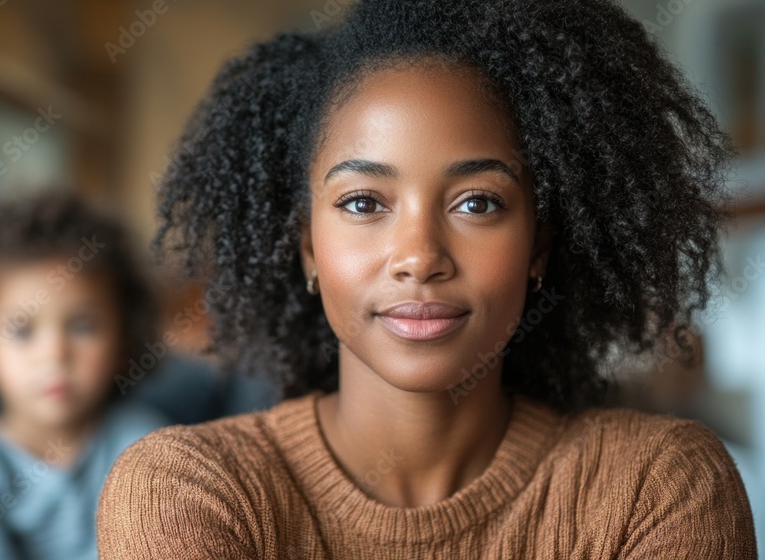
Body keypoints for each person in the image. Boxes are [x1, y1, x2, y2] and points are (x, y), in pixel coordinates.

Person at [96, 0, 759, 558]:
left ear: (538, 246)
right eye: (363, 202)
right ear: (307, 245)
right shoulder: (186, 490)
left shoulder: (659, 487)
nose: (419, 256)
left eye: (478, 202)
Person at [0, 190, 170, 560]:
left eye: (82, 327)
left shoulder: (146, 446)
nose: (54, 354)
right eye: (21, 331)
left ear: (124, 341)